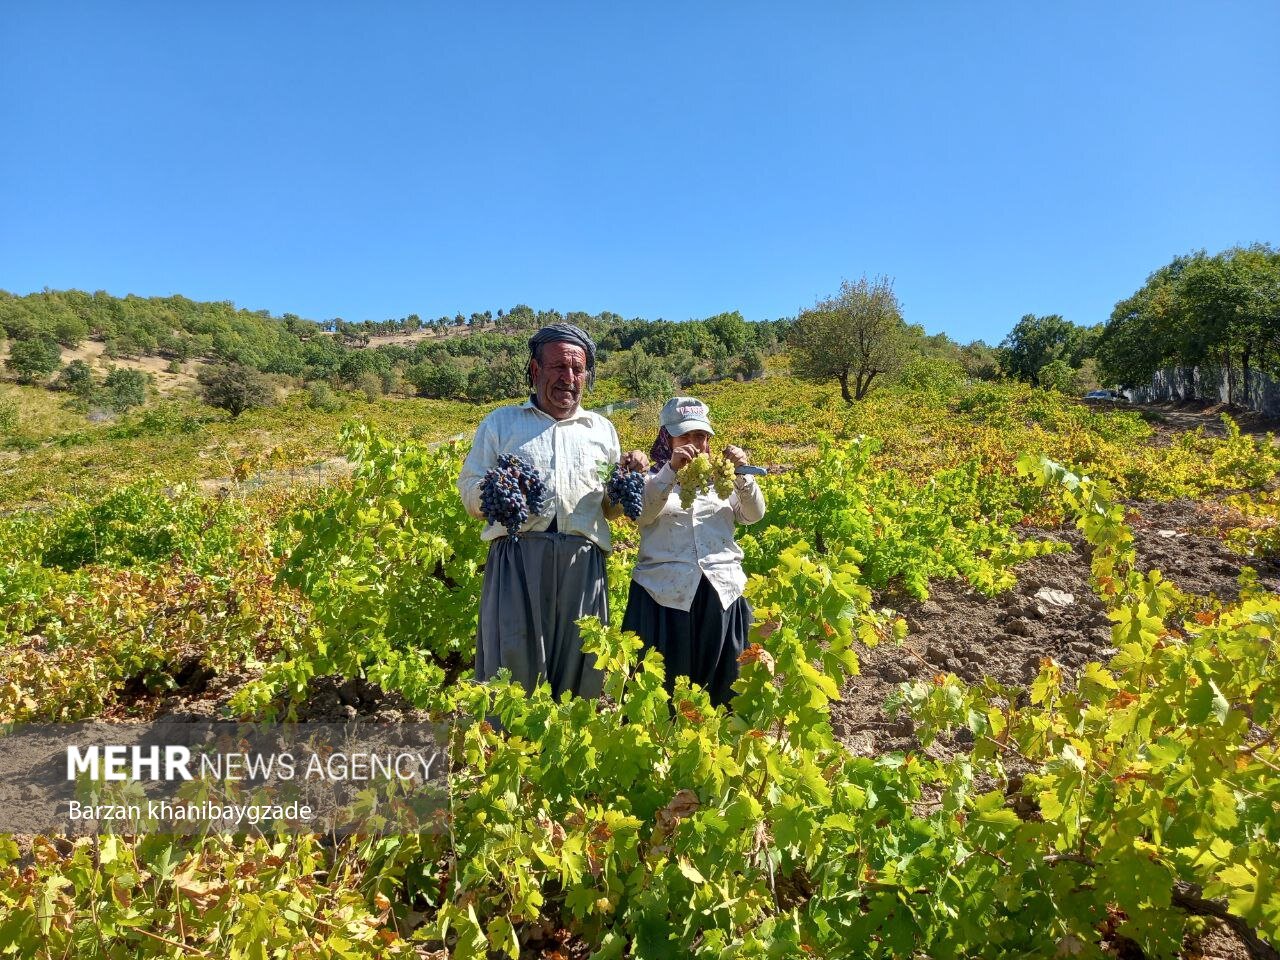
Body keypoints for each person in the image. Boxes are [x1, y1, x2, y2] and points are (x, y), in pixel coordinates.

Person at [457, 323, 648, 700]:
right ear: (535, 370)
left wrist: (629, 477)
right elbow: (469, 490)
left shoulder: (602, 430)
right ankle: (510, 736)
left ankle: (571, 735)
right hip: (517, 559)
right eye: (559, 366)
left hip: (583, 563)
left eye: (578, 369)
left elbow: (609, 509)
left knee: (581, 668)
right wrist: (495, 489)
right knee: (512, 669)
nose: (569, 378)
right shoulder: (501, 423)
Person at [623, 396, 765, 707]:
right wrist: (671, 471)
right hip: (662, 601)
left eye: (700, 435)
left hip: (722, 596)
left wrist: (743, 473)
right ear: (667, 438)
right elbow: (642, 514)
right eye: (683, 436)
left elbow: (753, 514)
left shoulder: (722, 480)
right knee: (661, 701)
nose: (694, 444)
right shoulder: (649, 478)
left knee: (726, 699)